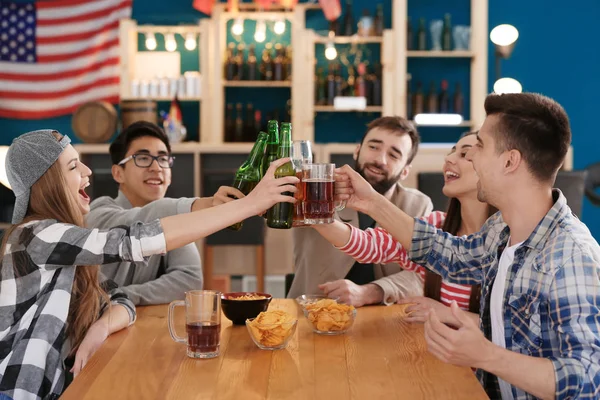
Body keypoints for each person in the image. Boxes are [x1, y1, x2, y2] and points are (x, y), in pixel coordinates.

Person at [334, 93, 600, 399]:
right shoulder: (502, 229)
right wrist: (371, 201)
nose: (470, 157)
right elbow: (449, 254)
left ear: (510, 161)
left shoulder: (571, 256)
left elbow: (587, 379)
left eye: (480, 147)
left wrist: (485, 355)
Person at [0, 129, 297, 400]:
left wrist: (102, 327)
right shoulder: (36, 236)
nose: (88, 171)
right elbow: (138, 238)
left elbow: (118, 298)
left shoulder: (64, 247)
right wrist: (248, 205)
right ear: (48, 182)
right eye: (74, 166)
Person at [312, 131, 496, 324]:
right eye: (452, 151)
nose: (448, 158)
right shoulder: (437, 224)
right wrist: (314, 212)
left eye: (465, 154)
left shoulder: (506, 239)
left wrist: (448, 314)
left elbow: (516, 335)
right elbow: (371, 245)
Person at [287, 116, 433, 306]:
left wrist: (371, 292)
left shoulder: (418, 205)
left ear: (405, 170)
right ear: (357, 150)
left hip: (386, 320)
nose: (380, 159)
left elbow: (424, 276)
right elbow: (276, 208)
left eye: (394, 155)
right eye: (373, 147)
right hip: (311, 312)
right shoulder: (317, 188)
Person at [86, 122, 236, 305]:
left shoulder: (171, 219)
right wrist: (206, 204)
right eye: (142, 158)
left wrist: (123, 296)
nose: (156, 168)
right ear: (118, 173)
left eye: (163, 159)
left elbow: (188, 279)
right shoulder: (99, 213)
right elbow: (138, 221)